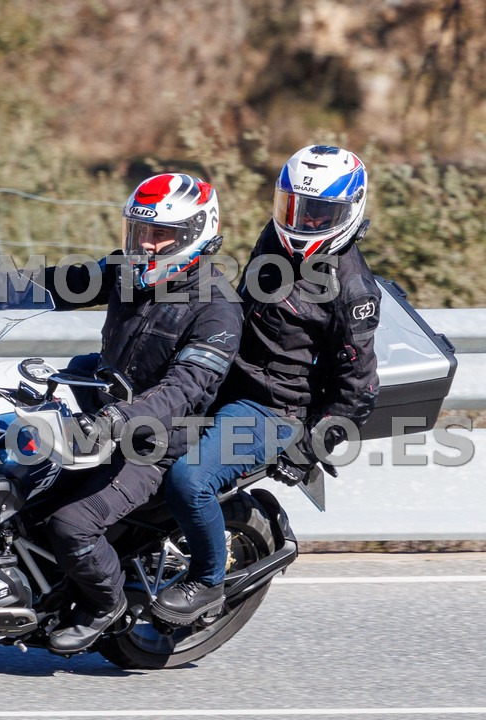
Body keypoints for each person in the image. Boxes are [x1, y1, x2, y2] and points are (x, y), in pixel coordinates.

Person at [153, 145, 381, 626]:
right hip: (226, 374)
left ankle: (208, 581)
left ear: (349, 211)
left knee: (189, 481)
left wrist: (311, 446)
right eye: (295, 206)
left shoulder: (354, 291)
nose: (304, 220)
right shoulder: (275, 238)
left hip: (272, 408)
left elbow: (359, 386)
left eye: (320, 213)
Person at [41, 173, 243, 654]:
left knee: (71, 523)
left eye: (160, 234)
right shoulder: (128, 272)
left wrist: (120, 420)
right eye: (139, 231)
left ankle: (105, 604)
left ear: (195, 234)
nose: (146, 244)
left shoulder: (216, 309)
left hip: (153, 445)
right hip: (105, 419)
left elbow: (183, 389)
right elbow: (58, 284)